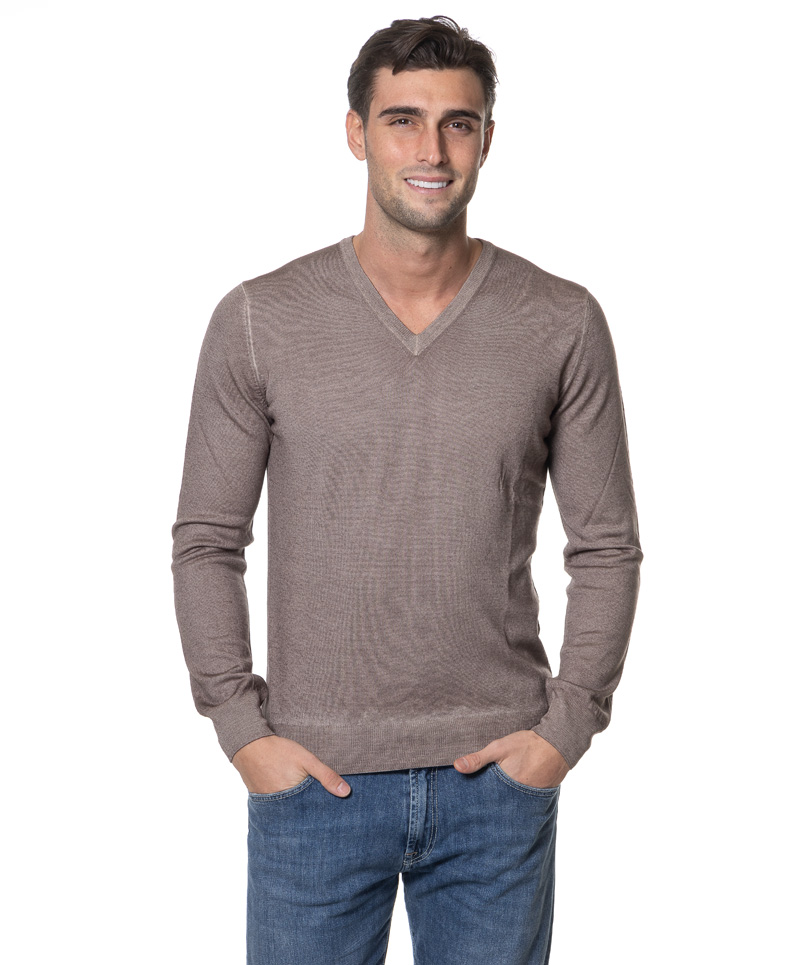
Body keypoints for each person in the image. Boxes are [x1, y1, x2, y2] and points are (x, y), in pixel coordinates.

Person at [171, 14, 643, 965]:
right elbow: (207, 541)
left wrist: (564, 730)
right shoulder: (262, 318)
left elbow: (606, 547)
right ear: (357, 133)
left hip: (496, 784)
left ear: (487, 140)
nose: (431, 150)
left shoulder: (560, 321)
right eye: (402, 120)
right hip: (314, 781)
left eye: (457, 123)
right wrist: (241, 730)